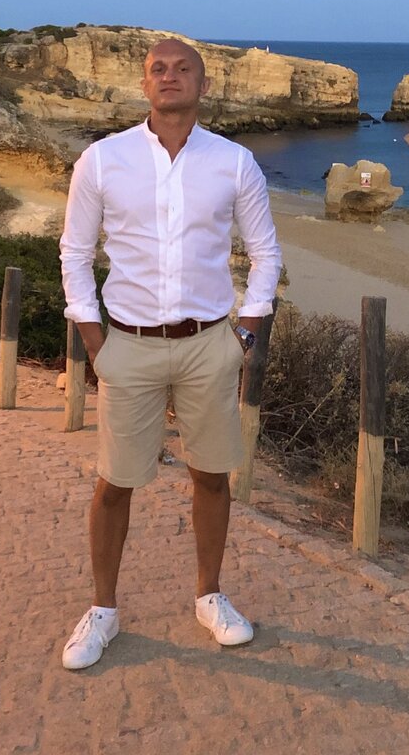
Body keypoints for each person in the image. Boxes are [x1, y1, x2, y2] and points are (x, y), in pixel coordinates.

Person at [59, 38, 282, 670]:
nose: (170, 76)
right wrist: (94, 337)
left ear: (204, 85)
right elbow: (75, 252)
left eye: (184, 69)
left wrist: (244, 334)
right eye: (158, 69)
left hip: (210, 343)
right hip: (127, 344)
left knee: (211, 475)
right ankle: (103, 609)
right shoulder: (103, 159)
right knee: (114, 482)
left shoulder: (235, 162)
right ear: (144, 83)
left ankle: (210, 595)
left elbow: (265, 253)